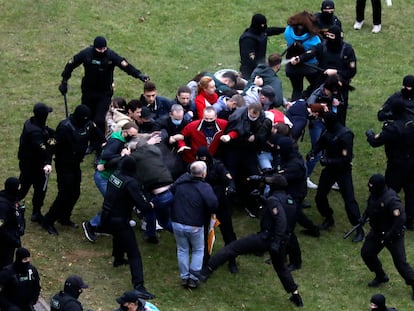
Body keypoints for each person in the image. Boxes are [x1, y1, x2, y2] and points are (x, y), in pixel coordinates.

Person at [200, 195, 304, 307]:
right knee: (281, 268)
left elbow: (280, 219)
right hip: (281, 243)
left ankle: (207, 270)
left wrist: (275, 241)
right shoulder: (290, 201)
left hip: (267, 238)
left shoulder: (274, 201)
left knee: (233, 248)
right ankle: (296, 296)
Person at [58, 36, 149, 136]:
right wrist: (64, 81)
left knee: (99, 119)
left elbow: (126, 66)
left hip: (104, 92)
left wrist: (139, 75)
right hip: (89, 90)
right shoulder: (86, 54)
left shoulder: (110, 55)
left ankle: (99, 142)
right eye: (99, 49)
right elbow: (71, 64)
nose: (102, 51)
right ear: (94, 48)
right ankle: (85, 135)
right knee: (87, 115)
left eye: (104, 49)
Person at [42, 105, 105, 235]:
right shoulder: (64, 128)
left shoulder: (88, 124)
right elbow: (51, 145)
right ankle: (48, 220)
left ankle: (64, 217)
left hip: (75, 164)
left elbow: (100, 137)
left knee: (75, 193)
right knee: (64, 194)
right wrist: (47, 162)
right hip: (64, 165)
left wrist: (99, 146)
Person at [100, 156, 155, 299]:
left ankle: (118, 259)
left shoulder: (115, 175)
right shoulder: (131, 183)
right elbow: (142, 205)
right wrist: (150, 204)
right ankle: (139, 286)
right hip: (120, 218)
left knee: (118, 236)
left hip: (107, 213)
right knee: (134, 253)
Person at [308, 112, 364, 242]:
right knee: (320, 196)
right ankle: (328, 217)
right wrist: (312, 152)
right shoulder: (328, 132)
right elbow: (320, 144)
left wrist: (328, 161)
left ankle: (358, 228)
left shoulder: (345, 135)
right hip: (330, 170)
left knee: (349, 200)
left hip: (343, 171)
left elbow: (346, 159)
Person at [82, 122, 139, 243]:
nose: (133, 137)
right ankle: (90, 225)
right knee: (113, 203)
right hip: (103, 177)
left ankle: (102, 226)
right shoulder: (116, 142)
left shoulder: (121, 138)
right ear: (125, 132)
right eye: (132, 135)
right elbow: (106, 154)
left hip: (110, 176)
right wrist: (122, 155)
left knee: (115, 203)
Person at [360, 174, 414, 300]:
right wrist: (363, 218)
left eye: (371, 187)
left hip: (393, 236)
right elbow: (370, 207)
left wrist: (389, 236)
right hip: (377, 232)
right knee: (367, 253)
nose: (369, 189)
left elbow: (400, 219)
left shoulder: (391, 200)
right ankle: (380, 275)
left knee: (401, 264)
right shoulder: (375, 194)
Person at [292, 25, 357, 125]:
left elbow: (351, 71)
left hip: (339, 84)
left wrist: (336, 72)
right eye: (328, 35)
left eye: (332, 36)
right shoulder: (322, 46)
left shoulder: (347, 50)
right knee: (318, 105)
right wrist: (299, 58)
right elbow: (311, 53)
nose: (329, 38)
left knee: (340, 109)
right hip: (322, 83)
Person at [366, 100, 414, 229]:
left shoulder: (393, 128)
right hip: (411, 162)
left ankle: (385, 216)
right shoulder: (411, 121)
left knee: (389, 192)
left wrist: (370, 134)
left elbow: (375, 142)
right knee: (410, 192)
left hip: (396, 165)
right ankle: (410, 220)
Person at [170, 161, 218, 288]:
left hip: (177, 222)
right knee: (198, 250)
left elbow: (171, 191)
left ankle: (184, 277)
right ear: (203, 173)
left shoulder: (180, 183)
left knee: (182, 249)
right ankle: (193, 278)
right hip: (195, 225)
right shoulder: (205, 187)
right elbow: (213, 204)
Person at [195, 147, 238, 273]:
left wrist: (230, 188)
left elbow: (229, 179)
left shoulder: (218, 166)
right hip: (205, 206)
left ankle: (232, 260)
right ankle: (205, 260)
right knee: (204, 235)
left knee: (228, 234)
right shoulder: (195, 166)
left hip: (221, 204)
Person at [17, 103, 55, 224]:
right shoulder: (34, 134)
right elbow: (45, 148)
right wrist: (48, 162)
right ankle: (33, 212)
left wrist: (55, 134)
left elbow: (45, 131)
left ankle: (34, 210)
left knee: (28, 187)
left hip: (28, 162)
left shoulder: (31, 122)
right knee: (34, 189)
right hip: (33, 166)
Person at [284, 11, 322, 100]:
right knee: (316, 85)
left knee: (296, 89)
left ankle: (293, 108)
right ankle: (307, 99)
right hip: (310, 66)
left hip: (292, 66)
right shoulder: (314, 38)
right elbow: (314, 51)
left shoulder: (288, 31)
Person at [239, 13, 285, 79]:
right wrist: (264, 66)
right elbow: (248, 59)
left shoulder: (260, 32)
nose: (264, 27)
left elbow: (271, 30)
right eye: (263, 25)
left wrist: (285, 29)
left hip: (260, 69)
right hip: (249, 72)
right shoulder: (248, 39)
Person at [0, 177, 24, 269]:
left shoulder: (12, 199)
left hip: (10, 241)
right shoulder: (3, 205)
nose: (20, 189)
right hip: (3, 243)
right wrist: (13, 240)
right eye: (18, 187)